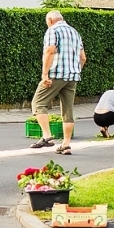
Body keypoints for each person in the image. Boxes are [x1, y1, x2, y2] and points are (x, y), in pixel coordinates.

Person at [32, 10, 86, 154]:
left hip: (56, 74)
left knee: (38, 103)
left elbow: (50, 51)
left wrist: (44, 74)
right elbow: (83, 58)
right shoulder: (75, 32)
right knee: (68, 111)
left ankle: (47, 137)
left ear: (50, 20)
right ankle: (66, 144)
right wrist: (75, 70)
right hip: (73, 76)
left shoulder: (53, 30)